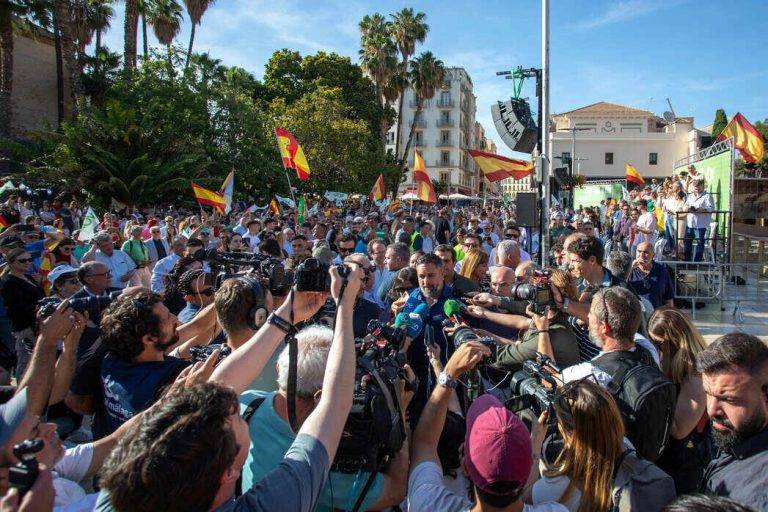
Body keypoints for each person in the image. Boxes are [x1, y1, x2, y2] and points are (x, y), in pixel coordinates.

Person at [96, 265, 363, 512]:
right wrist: (344, 306)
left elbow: (218, 387)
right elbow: (334, 406)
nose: (236, 404)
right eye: (235, 417)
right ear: (228, 472)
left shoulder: (119, 495)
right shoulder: (266, 506)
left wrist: (288, 313)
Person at [237, 325, 407, 511]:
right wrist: (399, 407)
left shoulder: (245, 405)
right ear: (323, 395)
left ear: (279, 368)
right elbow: (396, 489)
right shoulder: (326, 464)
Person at [408, 341, 568, 512]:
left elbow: (424, 444)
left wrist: (448, 374)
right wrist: (535, 443)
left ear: (465, 467)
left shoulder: (428, 504)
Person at [530, 378, 674, 511]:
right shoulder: (626, 444)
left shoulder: (556, 487)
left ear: (568, 434)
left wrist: (535, 444)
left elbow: (523, 501)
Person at [92, 291, 189, 439]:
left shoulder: (111, 360)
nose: (175, 318)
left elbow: (194, 328)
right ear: (149, 339)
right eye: (168, 317)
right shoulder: (173, 375)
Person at [697, 333, 768, 509]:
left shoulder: (756, 496)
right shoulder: (739, 433)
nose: (711, 410)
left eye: (729, 399)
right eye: (708, 394)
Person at [648, 307, 711, 494]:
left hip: (687, 463)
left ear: (673, 341)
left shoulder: (694, 374)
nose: (656, 348)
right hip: (675, 459)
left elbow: (680, 429)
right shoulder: (679, 366)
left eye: (658, 344)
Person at [628, 242, 674, 308]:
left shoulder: (661, 271)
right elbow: (619, 286)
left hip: (655, 312)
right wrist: (631, 268)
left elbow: (669, 298)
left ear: (653, 255)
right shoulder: (629, 270)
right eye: (639, 251)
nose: (642, 255)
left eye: (646, 252)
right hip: (635, 312)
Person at [684, 177, 714, 262]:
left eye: (698, 185)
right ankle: (687, 262)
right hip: (690, 224)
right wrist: (687, 208)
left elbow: (711, 208)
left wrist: (701, 210)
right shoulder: (690, 196)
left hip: (701, 225)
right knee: (687, 244)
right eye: (695, 186)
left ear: (703, 186)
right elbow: (685, 205)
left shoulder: (707, 196)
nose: (696, 187)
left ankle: (697, 263)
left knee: (700, 244)